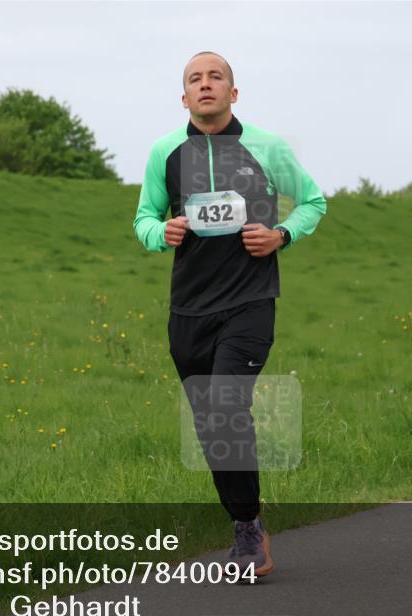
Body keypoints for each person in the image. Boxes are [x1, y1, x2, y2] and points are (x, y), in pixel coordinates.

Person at [132, 51, 327, 578]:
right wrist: (162, 232)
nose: (206, 84)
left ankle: (245, 529)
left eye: (216, 76)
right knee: (211, 423)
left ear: (233, 92)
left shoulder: (266, 147)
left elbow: (313, 202)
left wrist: (281, 234)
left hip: (249, 302)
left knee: (224, 404)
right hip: (189, 310)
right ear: (184, 97)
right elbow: (145, 219)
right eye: (195, 79)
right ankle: (250, 517)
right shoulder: (164, 152)